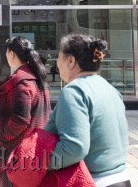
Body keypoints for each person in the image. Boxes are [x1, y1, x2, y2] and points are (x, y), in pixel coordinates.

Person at [44, 34, 130, 187]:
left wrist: (39, 162)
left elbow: (74, 148)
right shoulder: (109, 88)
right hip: (120, 178)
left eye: (59, 57)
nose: (56, 62)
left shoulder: (74, 91)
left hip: (94, 180)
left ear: (70, 61)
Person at [0, 36, 51, 187]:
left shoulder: (20, 81)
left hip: (14, 150)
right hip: (33, 147)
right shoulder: (36, 78)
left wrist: (2, 137)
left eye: (6, 52)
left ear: (11, 54)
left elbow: (20, 120)